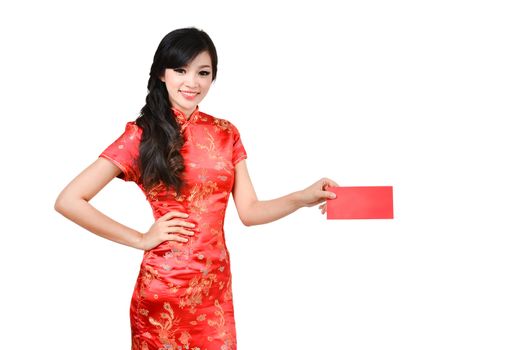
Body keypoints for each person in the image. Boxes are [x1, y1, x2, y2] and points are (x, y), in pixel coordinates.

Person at [54, 27, 339, 350]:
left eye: (203, 72)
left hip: (214, 294)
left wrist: (304, 197)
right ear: (162, 73)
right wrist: (141, 239)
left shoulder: (225, 133)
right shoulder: (142, 135)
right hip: (163, 289)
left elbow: (250, 211)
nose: (192, 82)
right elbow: (69, 200)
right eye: (180, 70)